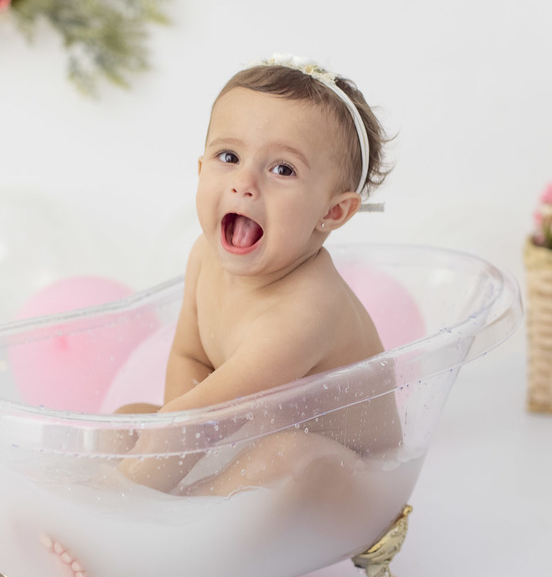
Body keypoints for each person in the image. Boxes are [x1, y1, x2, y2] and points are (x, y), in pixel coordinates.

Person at [117, 54, 399, 495]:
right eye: (228, 156)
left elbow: (202, 420)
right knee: (128, 421)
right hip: (242, 432)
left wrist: (130, 494)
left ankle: (168, 518)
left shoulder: (307, 310)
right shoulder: (204, 257)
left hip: (354, 483)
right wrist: (170, 447)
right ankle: (144, 495)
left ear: (333, 211)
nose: (244, 183)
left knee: (287, 457)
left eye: (282, 169)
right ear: (200, 169)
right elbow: (192, 359)